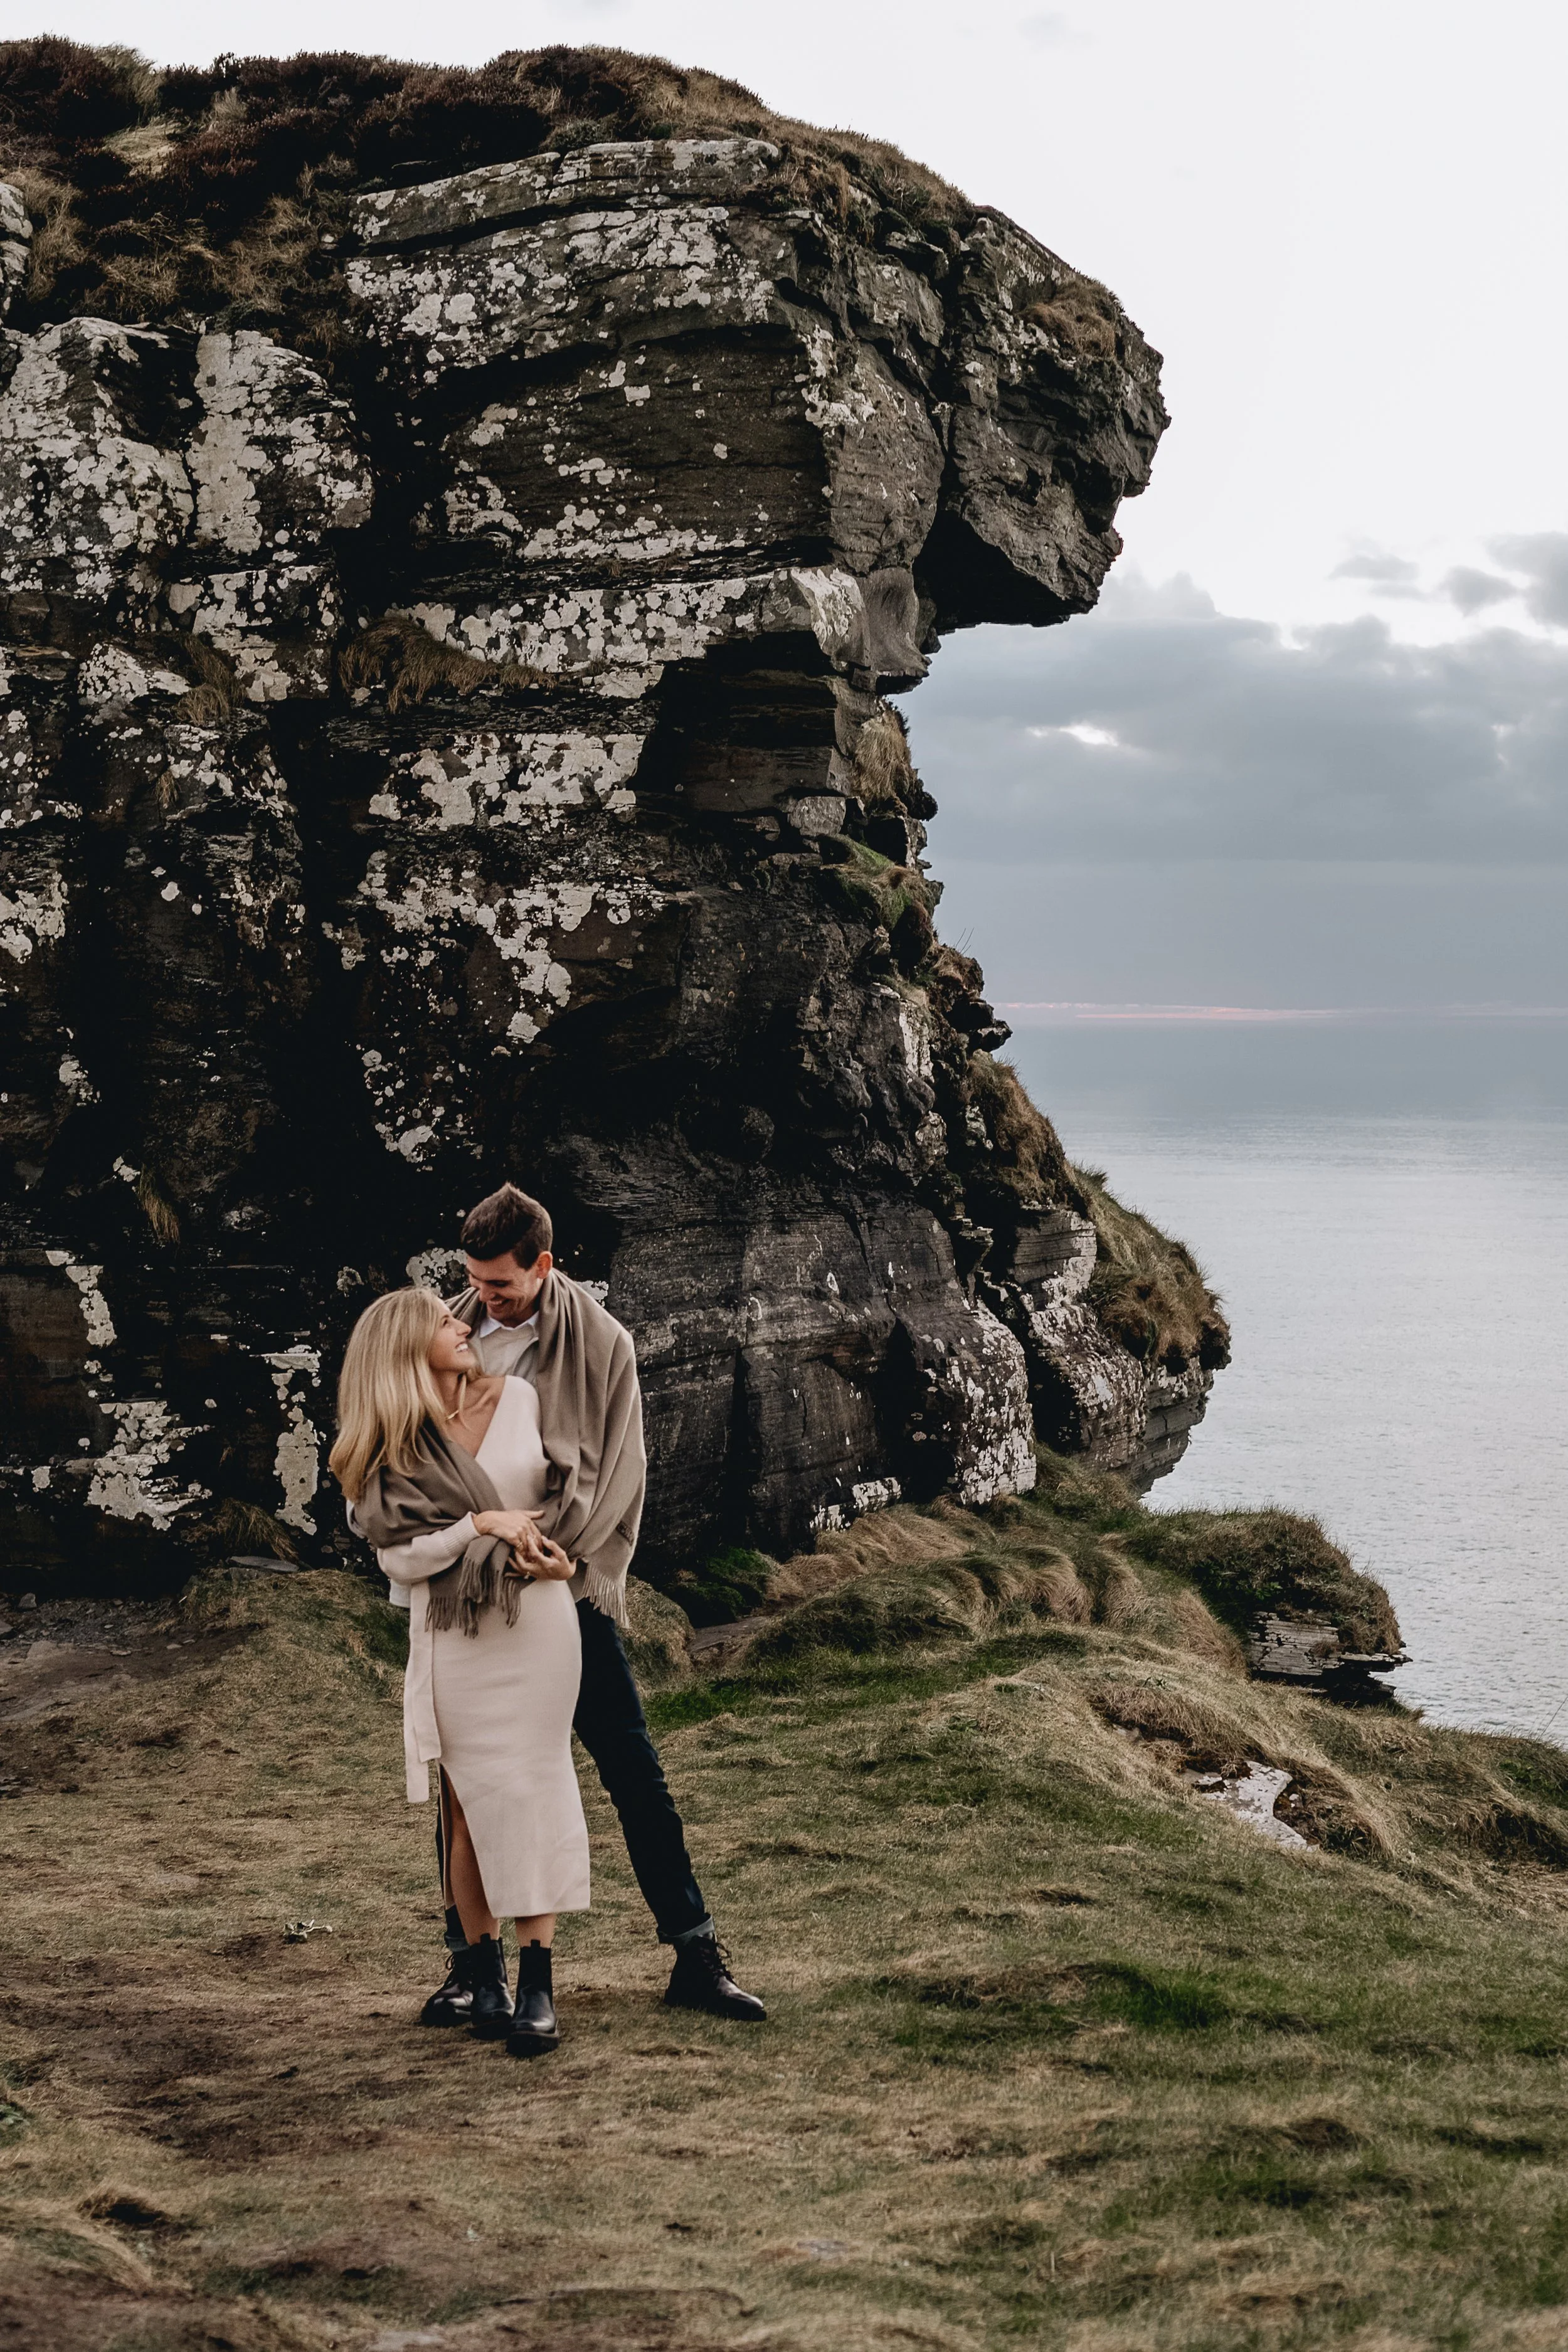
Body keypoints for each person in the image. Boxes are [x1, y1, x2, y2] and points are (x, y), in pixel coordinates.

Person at [421, 1183, 764, 2026]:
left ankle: (694, 1950)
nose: (485, 1298)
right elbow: (418, 1449)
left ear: (543, 1263)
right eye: (475, 1280)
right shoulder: (450, 1336)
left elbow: (621, 1468)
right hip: (469, 1592)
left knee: (630, 1767)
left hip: (561, 1589)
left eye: (501, 1283)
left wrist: (558, 1556)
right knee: (464, 1785)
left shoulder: (603, 1343)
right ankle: (474, 1967)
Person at [330, 1286, 585, 2057]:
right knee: (470, 1805)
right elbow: (398, 1560)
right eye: (445, 1321)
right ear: (406, 1348)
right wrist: (475, 1525)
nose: (463, 1324)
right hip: (453, 1634)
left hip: (537, 1620)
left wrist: (564, 1557)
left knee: (535, 1784)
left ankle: (539, 1980)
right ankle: (487, 1975)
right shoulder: (392, 1443)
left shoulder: (520, 1399)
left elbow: (566, 1499)